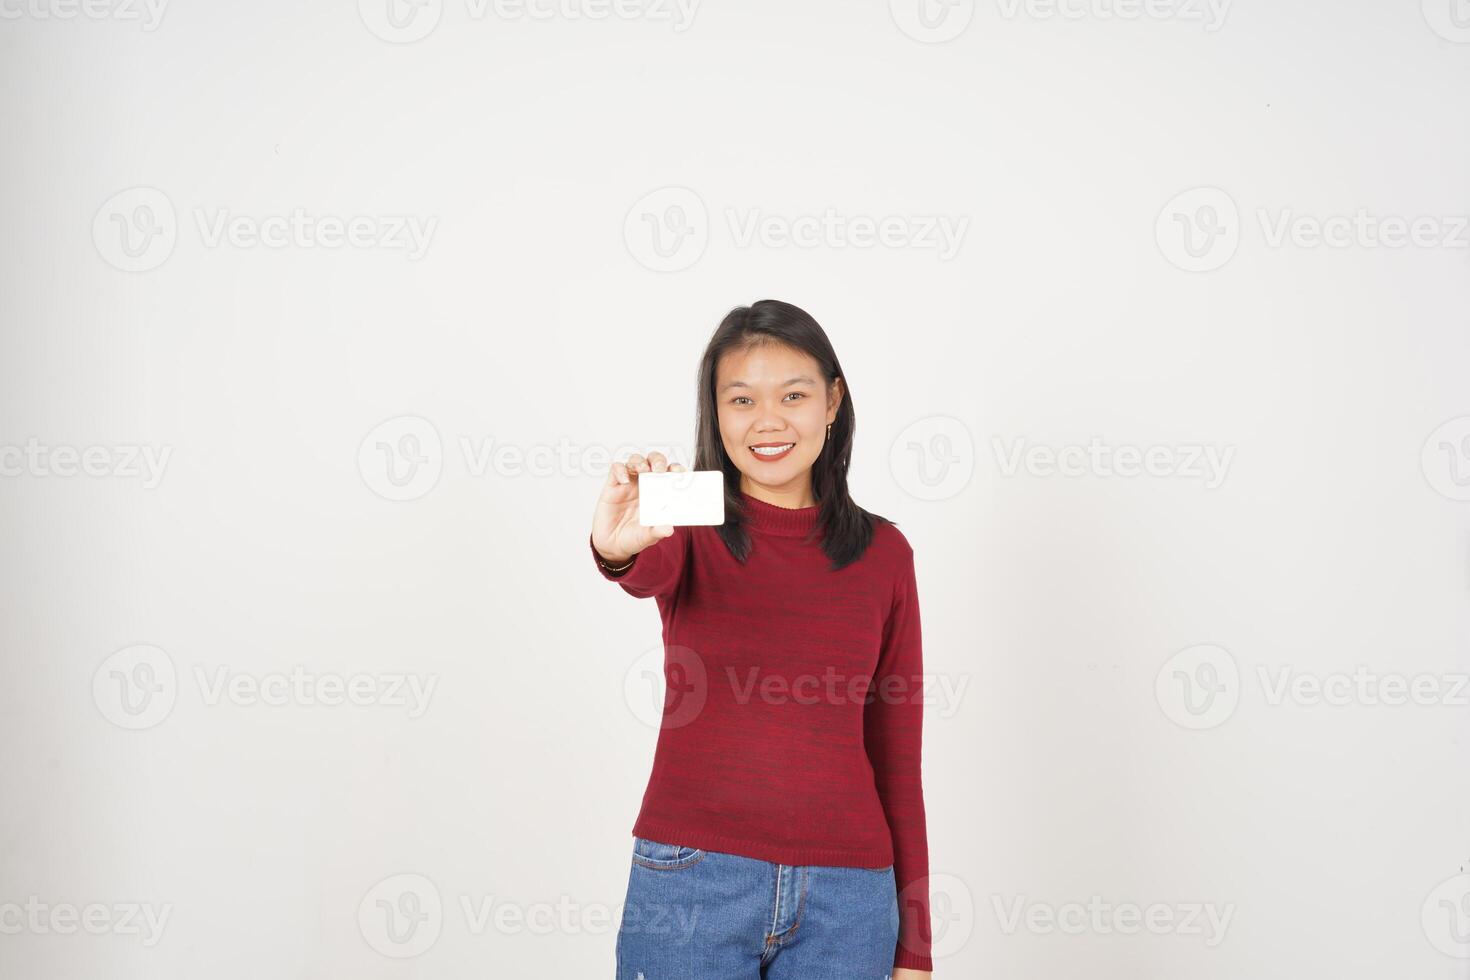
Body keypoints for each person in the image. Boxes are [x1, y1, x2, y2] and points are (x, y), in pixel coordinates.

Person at [590, 299, 933, 978]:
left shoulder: (885, 554)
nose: (768, 421)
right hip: (693, 883)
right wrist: (616, 547)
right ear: (714, 413)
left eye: (794, 395)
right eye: (741, 399)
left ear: (833, 401)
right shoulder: (684, 519)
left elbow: (897, 755)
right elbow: (641, 567)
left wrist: (915, 947)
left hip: (851, 900)